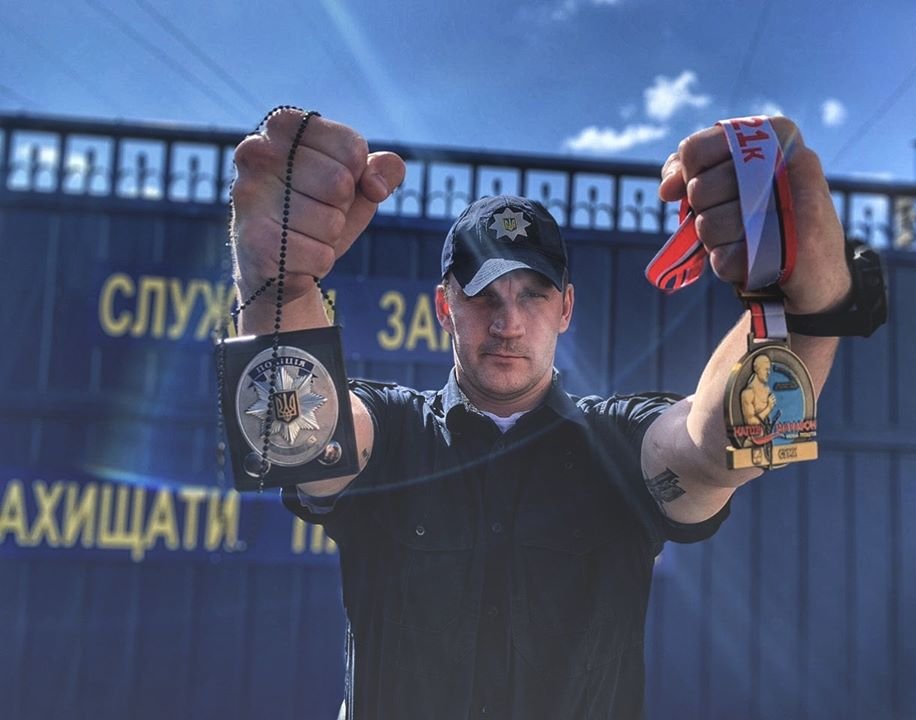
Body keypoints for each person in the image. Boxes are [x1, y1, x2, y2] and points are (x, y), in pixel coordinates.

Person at [229, 109, 851, 719]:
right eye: (483, 296)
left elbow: (724, 448)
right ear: (445, 308)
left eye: (533, 295)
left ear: (566, 309)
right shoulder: (394, 434)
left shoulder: (619, 446)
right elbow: (294, 443)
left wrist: (806, 308)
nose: (508, 323)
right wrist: (274, 285)